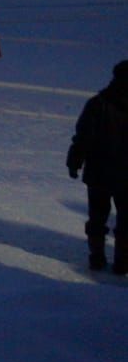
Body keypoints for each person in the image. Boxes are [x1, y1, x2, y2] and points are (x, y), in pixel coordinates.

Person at [66, 60, 128, 272]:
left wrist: (74, 161)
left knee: (97, 217)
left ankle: (97, 257)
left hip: (99, 173)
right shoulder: (97, 104)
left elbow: (82, 137)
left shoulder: (97, 103)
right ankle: (122, 262)